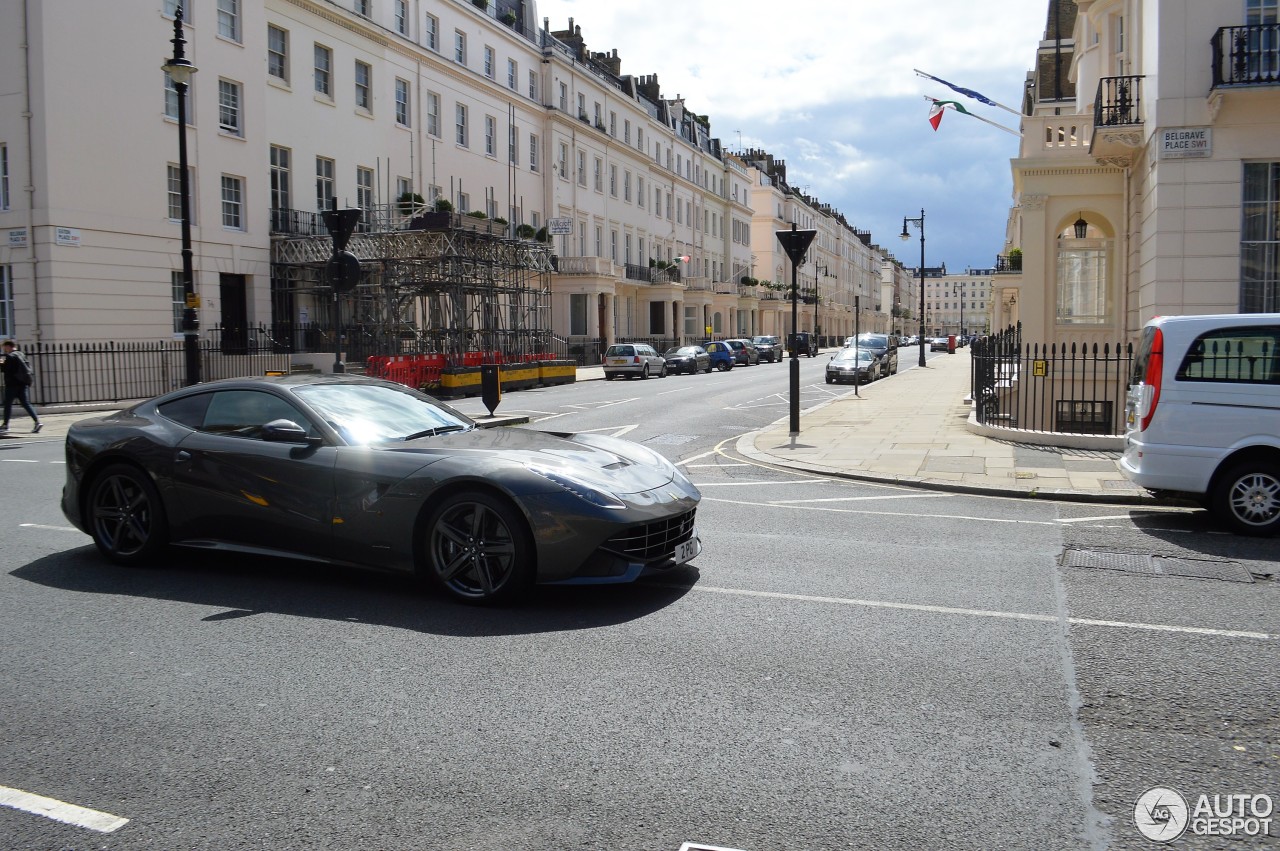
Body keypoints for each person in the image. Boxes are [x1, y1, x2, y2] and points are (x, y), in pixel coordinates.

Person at [1, 339, 41, 433]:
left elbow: (7, 370)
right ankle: (37, 422)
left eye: (4, 348)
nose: (4, 350)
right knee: (26, 403)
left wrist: (2, 364)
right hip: (23, 384)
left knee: (7, 404)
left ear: (8, 346)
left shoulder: (10, 356)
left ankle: (5, 425)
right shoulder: (21, 354)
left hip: (12, 385)